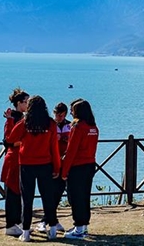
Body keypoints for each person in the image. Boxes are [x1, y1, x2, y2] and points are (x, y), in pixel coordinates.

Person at [7, 95, 62, 241]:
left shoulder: (25, 123)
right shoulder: (50, 123)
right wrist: (57, 167)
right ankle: (53, 229)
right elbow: (54, 148)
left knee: (27, 198)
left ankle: (25, 232)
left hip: (26, 165)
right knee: (48, 198)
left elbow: (11, 139)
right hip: (45, 164)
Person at [61, 99, 100, 240]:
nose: (70, 112)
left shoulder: (77, 127)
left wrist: (64, 172)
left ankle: (79, 227)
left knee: (75, 197)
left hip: (77, 166)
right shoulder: (93, 128)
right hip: (90, 164)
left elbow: (71, 151)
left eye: (72, 110)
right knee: (84, 196)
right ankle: (83, 225)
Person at [36, 102, 71, 234]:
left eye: (61, 115)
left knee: (59, 192)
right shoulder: (50, 124)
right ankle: (48, 220)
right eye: (56, 114)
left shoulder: (70, 125)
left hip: (64, 162)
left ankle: (50, 220)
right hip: (50, 162)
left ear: (65, 114)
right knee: (48, 193)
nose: (58, 117)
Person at [1, 88, 29, 237]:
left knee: (19, 192)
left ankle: (16, 222)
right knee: (13, 192)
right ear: (19, 103)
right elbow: (8, 141)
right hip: (13, 159)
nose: (28, 104)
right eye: (26, 102)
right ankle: (11, 224)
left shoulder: (21, 117)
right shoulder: (12, 118)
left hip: (21, 158)